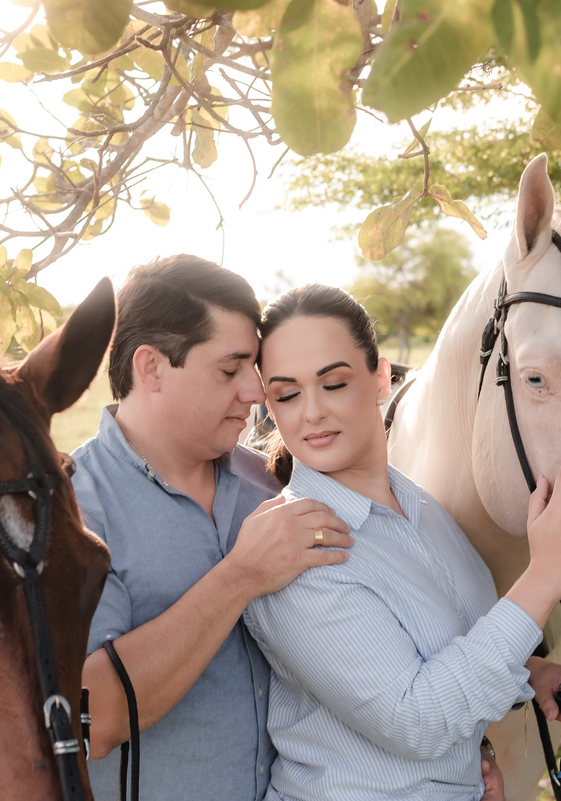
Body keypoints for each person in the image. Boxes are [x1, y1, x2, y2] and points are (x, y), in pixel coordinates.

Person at [244, 284, 561, 801]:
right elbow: (415, 720)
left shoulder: (423, 509)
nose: (310, 413)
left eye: (333, 383)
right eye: (286, 394)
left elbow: (439, 653)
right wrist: (548, 573)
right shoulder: (296, 548)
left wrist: (529, 674)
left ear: (380, 377)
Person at [71, 256, 354, 801]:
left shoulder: (271, 483)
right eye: (230, 370)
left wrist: (515, 679)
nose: (255, 391)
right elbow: (95, 716)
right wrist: (241, 576)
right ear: (151, 368)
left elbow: (360, 611)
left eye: (254, 368)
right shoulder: (76, 509)